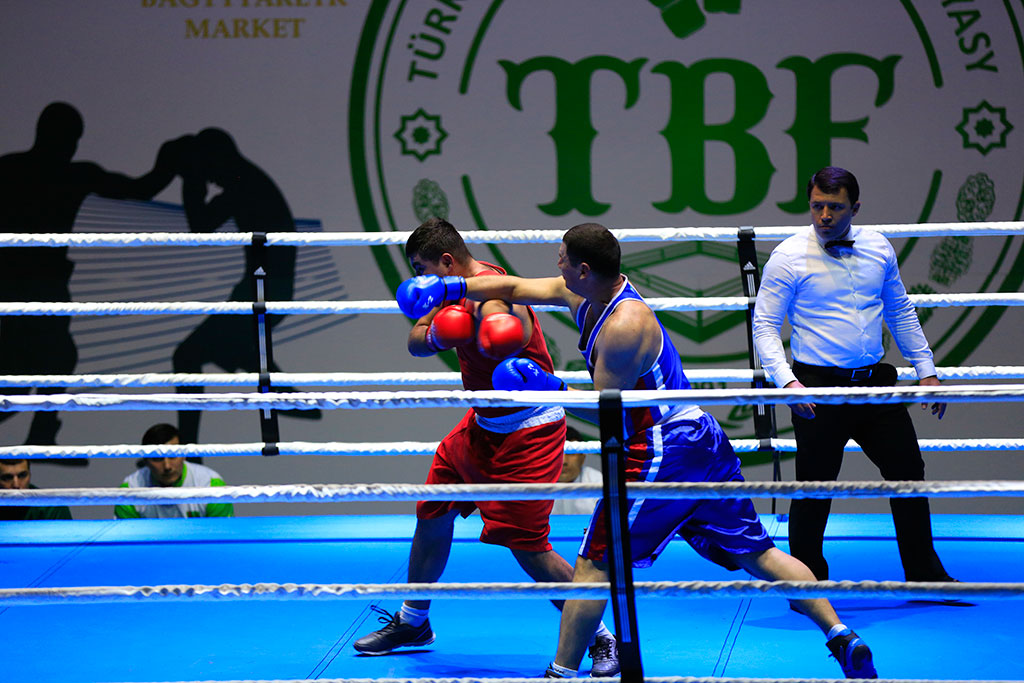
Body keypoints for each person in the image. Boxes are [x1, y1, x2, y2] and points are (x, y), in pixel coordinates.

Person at [396, 222, 876, 679]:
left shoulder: (624, 324)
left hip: (663, 448)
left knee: (594, 564)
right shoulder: (581, 292)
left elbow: (609, 411)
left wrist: (550, 383)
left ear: (584, 270)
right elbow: (518, 288)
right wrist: (451, 291)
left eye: (562, 261)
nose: (556, 267)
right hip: (700, 439)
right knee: (760, 553)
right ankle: (840, 635)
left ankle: (560, 672)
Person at [355, 218, 619, 677]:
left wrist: (492, 333)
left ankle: (600, 637)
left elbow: (511, 327)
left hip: (527, 432)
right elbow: (416, 341)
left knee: (528, 546)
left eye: (422, 268)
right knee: (432, 510)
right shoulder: (444, 292)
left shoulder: (490, 287)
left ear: (446, 261)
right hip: (479, 428)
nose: (420, 279)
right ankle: (414, 621)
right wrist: (440, 333)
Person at [751, 166, 954, 584]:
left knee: (908, 471)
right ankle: (807, 583)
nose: (824, 215)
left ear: (854, 207)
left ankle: (924, 573)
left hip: (876, 384)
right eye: (817, 206)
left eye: (835, 207)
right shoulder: (788, 256)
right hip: (817, 386)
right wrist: (787, 382)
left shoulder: (879, 248)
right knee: (813, 486)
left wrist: (926, 370)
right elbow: (765, 325)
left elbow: (900, 311)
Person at [0, 102, 183, 446]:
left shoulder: (49, 172)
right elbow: (139, 189)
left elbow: (137, 190)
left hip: (41, 284)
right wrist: (168, 163)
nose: (70, 146)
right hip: (23, 284)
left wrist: (166, 165)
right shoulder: (48, 172)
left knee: (52, 359)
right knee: (26, 371)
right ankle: (40, 437)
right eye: (68, 138)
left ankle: (41, 437)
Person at [171, 128, 319, 444]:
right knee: (233, 350)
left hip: (264, 289)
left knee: (187, 356)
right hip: (261, 287)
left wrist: (190, 178)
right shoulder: (246, 180)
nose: (211, 181)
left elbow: (201, 227)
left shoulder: (244, 185)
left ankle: (186, 448)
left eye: (208, 171)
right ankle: (288, 398)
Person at [114, 423, 234, 519]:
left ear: (184, 455)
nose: (167, 466)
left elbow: (222, 540)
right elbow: (128, 546)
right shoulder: (130, 490)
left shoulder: (210, 485)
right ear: (146, 460)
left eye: (172, 456)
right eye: (157, 458)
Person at [551, 426, 602, 515]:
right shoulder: (535, 482)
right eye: (558, 454)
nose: (564, 462)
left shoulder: (598, 481)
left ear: (582, 457)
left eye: (571, 453)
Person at [0, 459, 73, 521]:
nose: (16, 485)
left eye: (22, 475)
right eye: (7, 477)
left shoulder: (52, 506)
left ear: (30, 474)